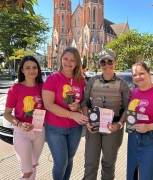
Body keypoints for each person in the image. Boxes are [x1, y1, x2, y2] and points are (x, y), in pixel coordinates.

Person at [81, 49, 130, 180]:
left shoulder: (122, 84)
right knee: (90, 164)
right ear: (99, 64)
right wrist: (87, 123)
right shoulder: (92, 81)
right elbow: (84, 103)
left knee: (108, 164)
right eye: (103, 62)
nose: (107, 65)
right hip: (94, 128)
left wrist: (119, 124)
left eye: (110, 61)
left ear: (115, 62)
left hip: (113, 128)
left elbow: (128, 108)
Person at [42, 47, 89, 180]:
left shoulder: (81, 81)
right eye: (65, 59)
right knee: (61, 163)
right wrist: (72, 114)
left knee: (69, 160)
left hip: (75, 128)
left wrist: (78, 106)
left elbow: (86, 103)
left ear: (77, 63)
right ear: (61, 59)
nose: (68, 62)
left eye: (72, 60)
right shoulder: (53, 79)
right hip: (55, 128)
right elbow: (48, 105)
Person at [4, 55, 45, 180]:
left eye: (34, 67)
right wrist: (20, 124)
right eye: (27, 68)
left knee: (33, 166)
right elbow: (7, 114)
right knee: (26, 171)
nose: (31, 70)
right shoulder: (15, 89)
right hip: (22, 133)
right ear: (22, 70)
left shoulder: (43, 87)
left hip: (40, 131)